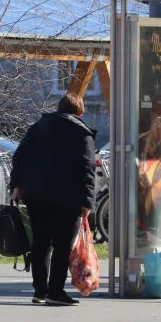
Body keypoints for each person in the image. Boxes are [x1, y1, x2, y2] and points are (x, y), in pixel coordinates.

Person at [10, 93, 97, 306]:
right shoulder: (81, 133)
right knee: (62, 246)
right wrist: (87, 201)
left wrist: (16, 185)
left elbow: (19, 157)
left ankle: (40, 290)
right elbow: (87, 169)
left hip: (36, 195)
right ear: (80, 113)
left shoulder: (37, 128)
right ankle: (56, 292)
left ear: (58, 108)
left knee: (40, 243)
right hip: (67, 198)